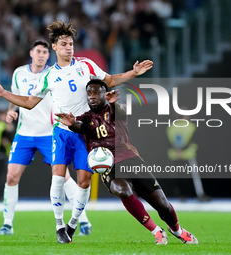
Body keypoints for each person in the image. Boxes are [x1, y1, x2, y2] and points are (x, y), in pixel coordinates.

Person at [0, 19, 153, 244]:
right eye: (64, 44)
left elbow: (110, 80)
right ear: (54, 46)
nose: (69, 47)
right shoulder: (48, 77)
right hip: (62, 132)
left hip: (86, 132)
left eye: (71, 43)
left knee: (83, 181)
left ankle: (73, 224)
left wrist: (133, 73)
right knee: (58, 177)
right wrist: (4, 93)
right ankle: (58, 225)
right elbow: (28, 102)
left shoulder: (86, 65)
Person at [55, 79, 199, 245]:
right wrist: (72, 124)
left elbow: (122, 112)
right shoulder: (86, 118)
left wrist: (114, 103)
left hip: (131, 160)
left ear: (105, 94)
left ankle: (177, 231)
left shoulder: (115, 109)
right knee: (121, 190)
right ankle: (156, 231)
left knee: (163, 205)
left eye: (96, 93)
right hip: (109, 166)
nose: (92, 97)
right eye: (89, 93)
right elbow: (79, 126)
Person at [0, 39, 92, 236]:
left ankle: (84, 221)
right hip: (24, 134)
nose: (41, 55)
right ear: (31, 53)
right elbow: (16, 94)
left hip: (48, 133)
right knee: (11, 177)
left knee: (64, 178)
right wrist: (11, 111)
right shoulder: (19, 73)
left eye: (45, 52)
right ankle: (7, 225)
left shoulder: (53, 74)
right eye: (38, 51)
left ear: (49, 55)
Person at [167, 112, 210, 201]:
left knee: (179, 176)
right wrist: (183, 150)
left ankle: (181, 195)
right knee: (194, 177)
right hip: (188, 154)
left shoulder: (171, 128)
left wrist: (177, 151)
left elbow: (167, 142)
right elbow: (194, 140)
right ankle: (200, 194)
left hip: (175, 155)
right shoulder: (190, 127)